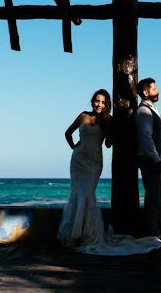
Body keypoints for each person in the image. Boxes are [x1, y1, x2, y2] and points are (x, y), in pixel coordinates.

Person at [58, 89, 112, 248]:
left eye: (103, 102)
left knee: (88, 194)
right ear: (92, 101)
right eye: (97, 100)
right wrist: (74, 146)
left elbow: (108, 144)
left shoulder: (108, 120)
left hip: (94, 162)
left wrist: (110, 128)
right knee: (77, 194)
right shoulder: (83, 116)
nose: (99, 104)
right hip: (78, 161)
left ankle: (86, 235)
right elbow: (67, 133)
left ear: (106, 104)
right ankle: (75, 236)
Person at [135, 77, 161, 239]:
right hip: (149, 160)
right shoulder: (144, 112)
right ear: (146, 93)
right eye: (154, 89)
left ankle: (155, 233)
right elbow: (145, 138)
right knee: (153, 199)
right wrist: (156, 159)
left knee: (156, 197)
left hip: (154, 159)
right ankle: (152, 235)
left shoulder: (151, 109)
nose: (158, 91)